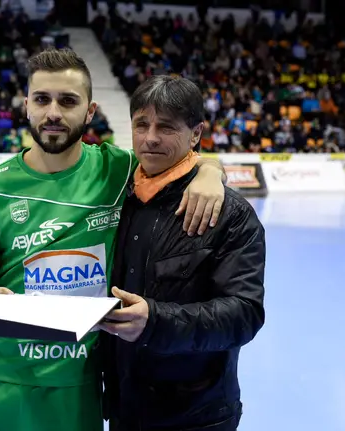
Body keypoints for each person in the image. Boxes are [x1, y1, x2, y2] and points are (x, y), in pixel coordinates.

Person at [0, 48, 228, 431]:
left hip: (80, 380)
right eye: (41, 99)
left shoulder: (118, 169)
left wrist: (210, 172)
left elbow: (181, 157)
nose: (53, 112)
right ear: (26, 106)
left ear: (89, 110)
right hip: (1, 378)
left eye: (67, 101)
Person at [98, 75, 266, 431]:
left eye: (167, 126)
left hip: (196, 416)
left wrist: (155, 321)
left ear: (195, 134)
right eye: (141, 124)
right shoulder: (118, 195)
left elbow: (244, 314)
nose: (151, 137)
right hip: (124, 408)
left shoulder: (229, 213)